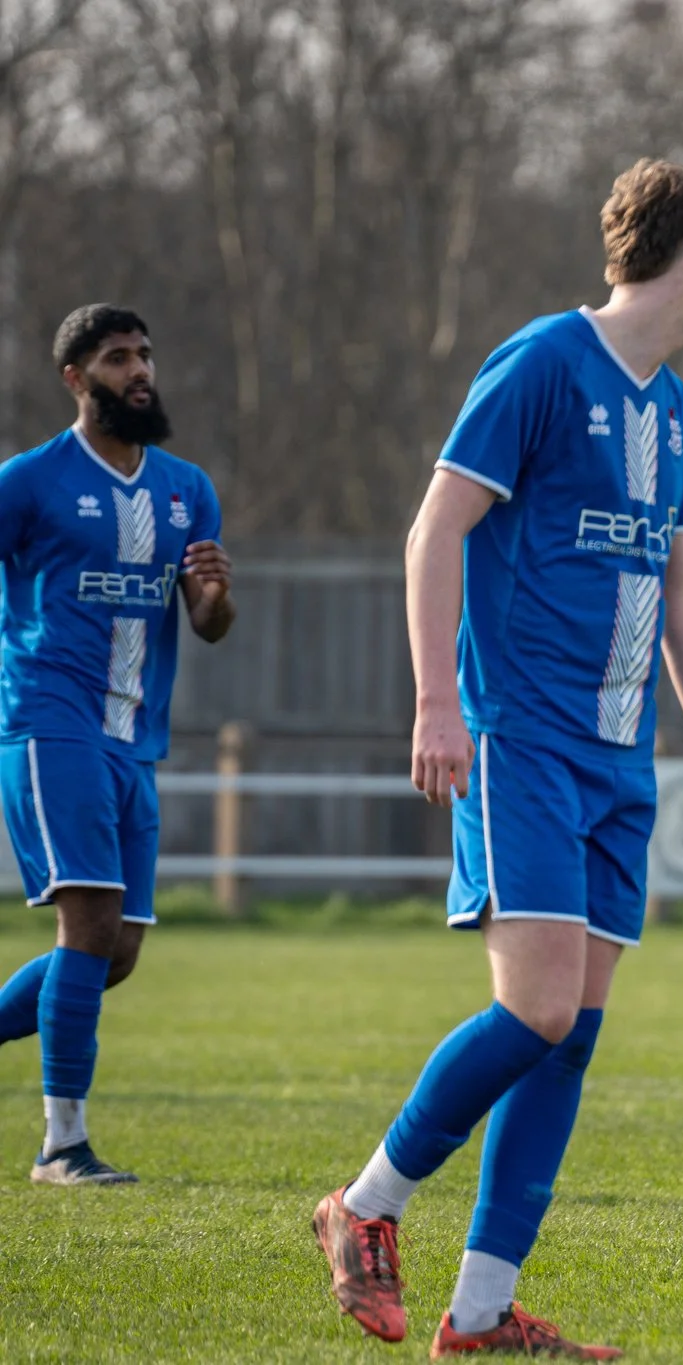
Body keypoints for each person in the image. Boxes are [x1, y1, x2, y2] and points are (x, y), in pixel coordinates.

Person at [312, 160, 683, 1358]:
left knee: (575, 1033)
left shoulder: (671, 407)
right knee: (536, 1010)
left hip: (622, 759)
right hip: (521, 738)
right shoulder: (537, 364)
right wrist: (435, 704)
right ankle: (362, 1207)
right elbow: (434, 531)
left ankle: (478, 1312)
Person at [0, 305, 235, 1185]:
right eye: (115, 359)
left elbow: (208, 621)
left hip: (135, 738)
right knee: (88, 925)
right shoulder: (28, 483)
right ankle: (62, 1145)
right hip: (49, 723)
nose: (138, 370)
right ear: (75, 378)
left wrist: (212, 600)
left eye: (143, 354)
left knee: (119, 950)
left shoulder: (186, 489)